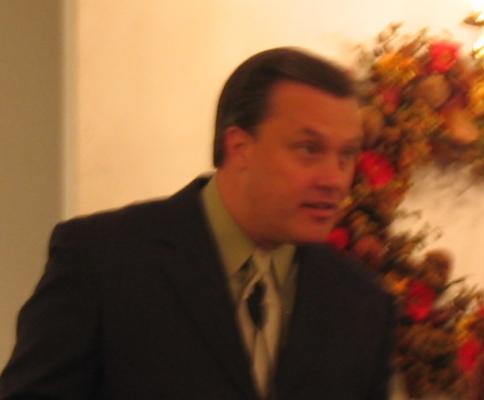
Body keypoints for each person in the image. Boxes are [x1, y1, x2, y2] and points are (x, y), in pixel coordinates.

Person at [0, 47, 394, 399]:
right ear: (238, 147)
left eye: (346, 156)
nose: (334, 179)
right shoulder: (103, 262)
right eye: (308, 149)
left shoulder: (361, 303)